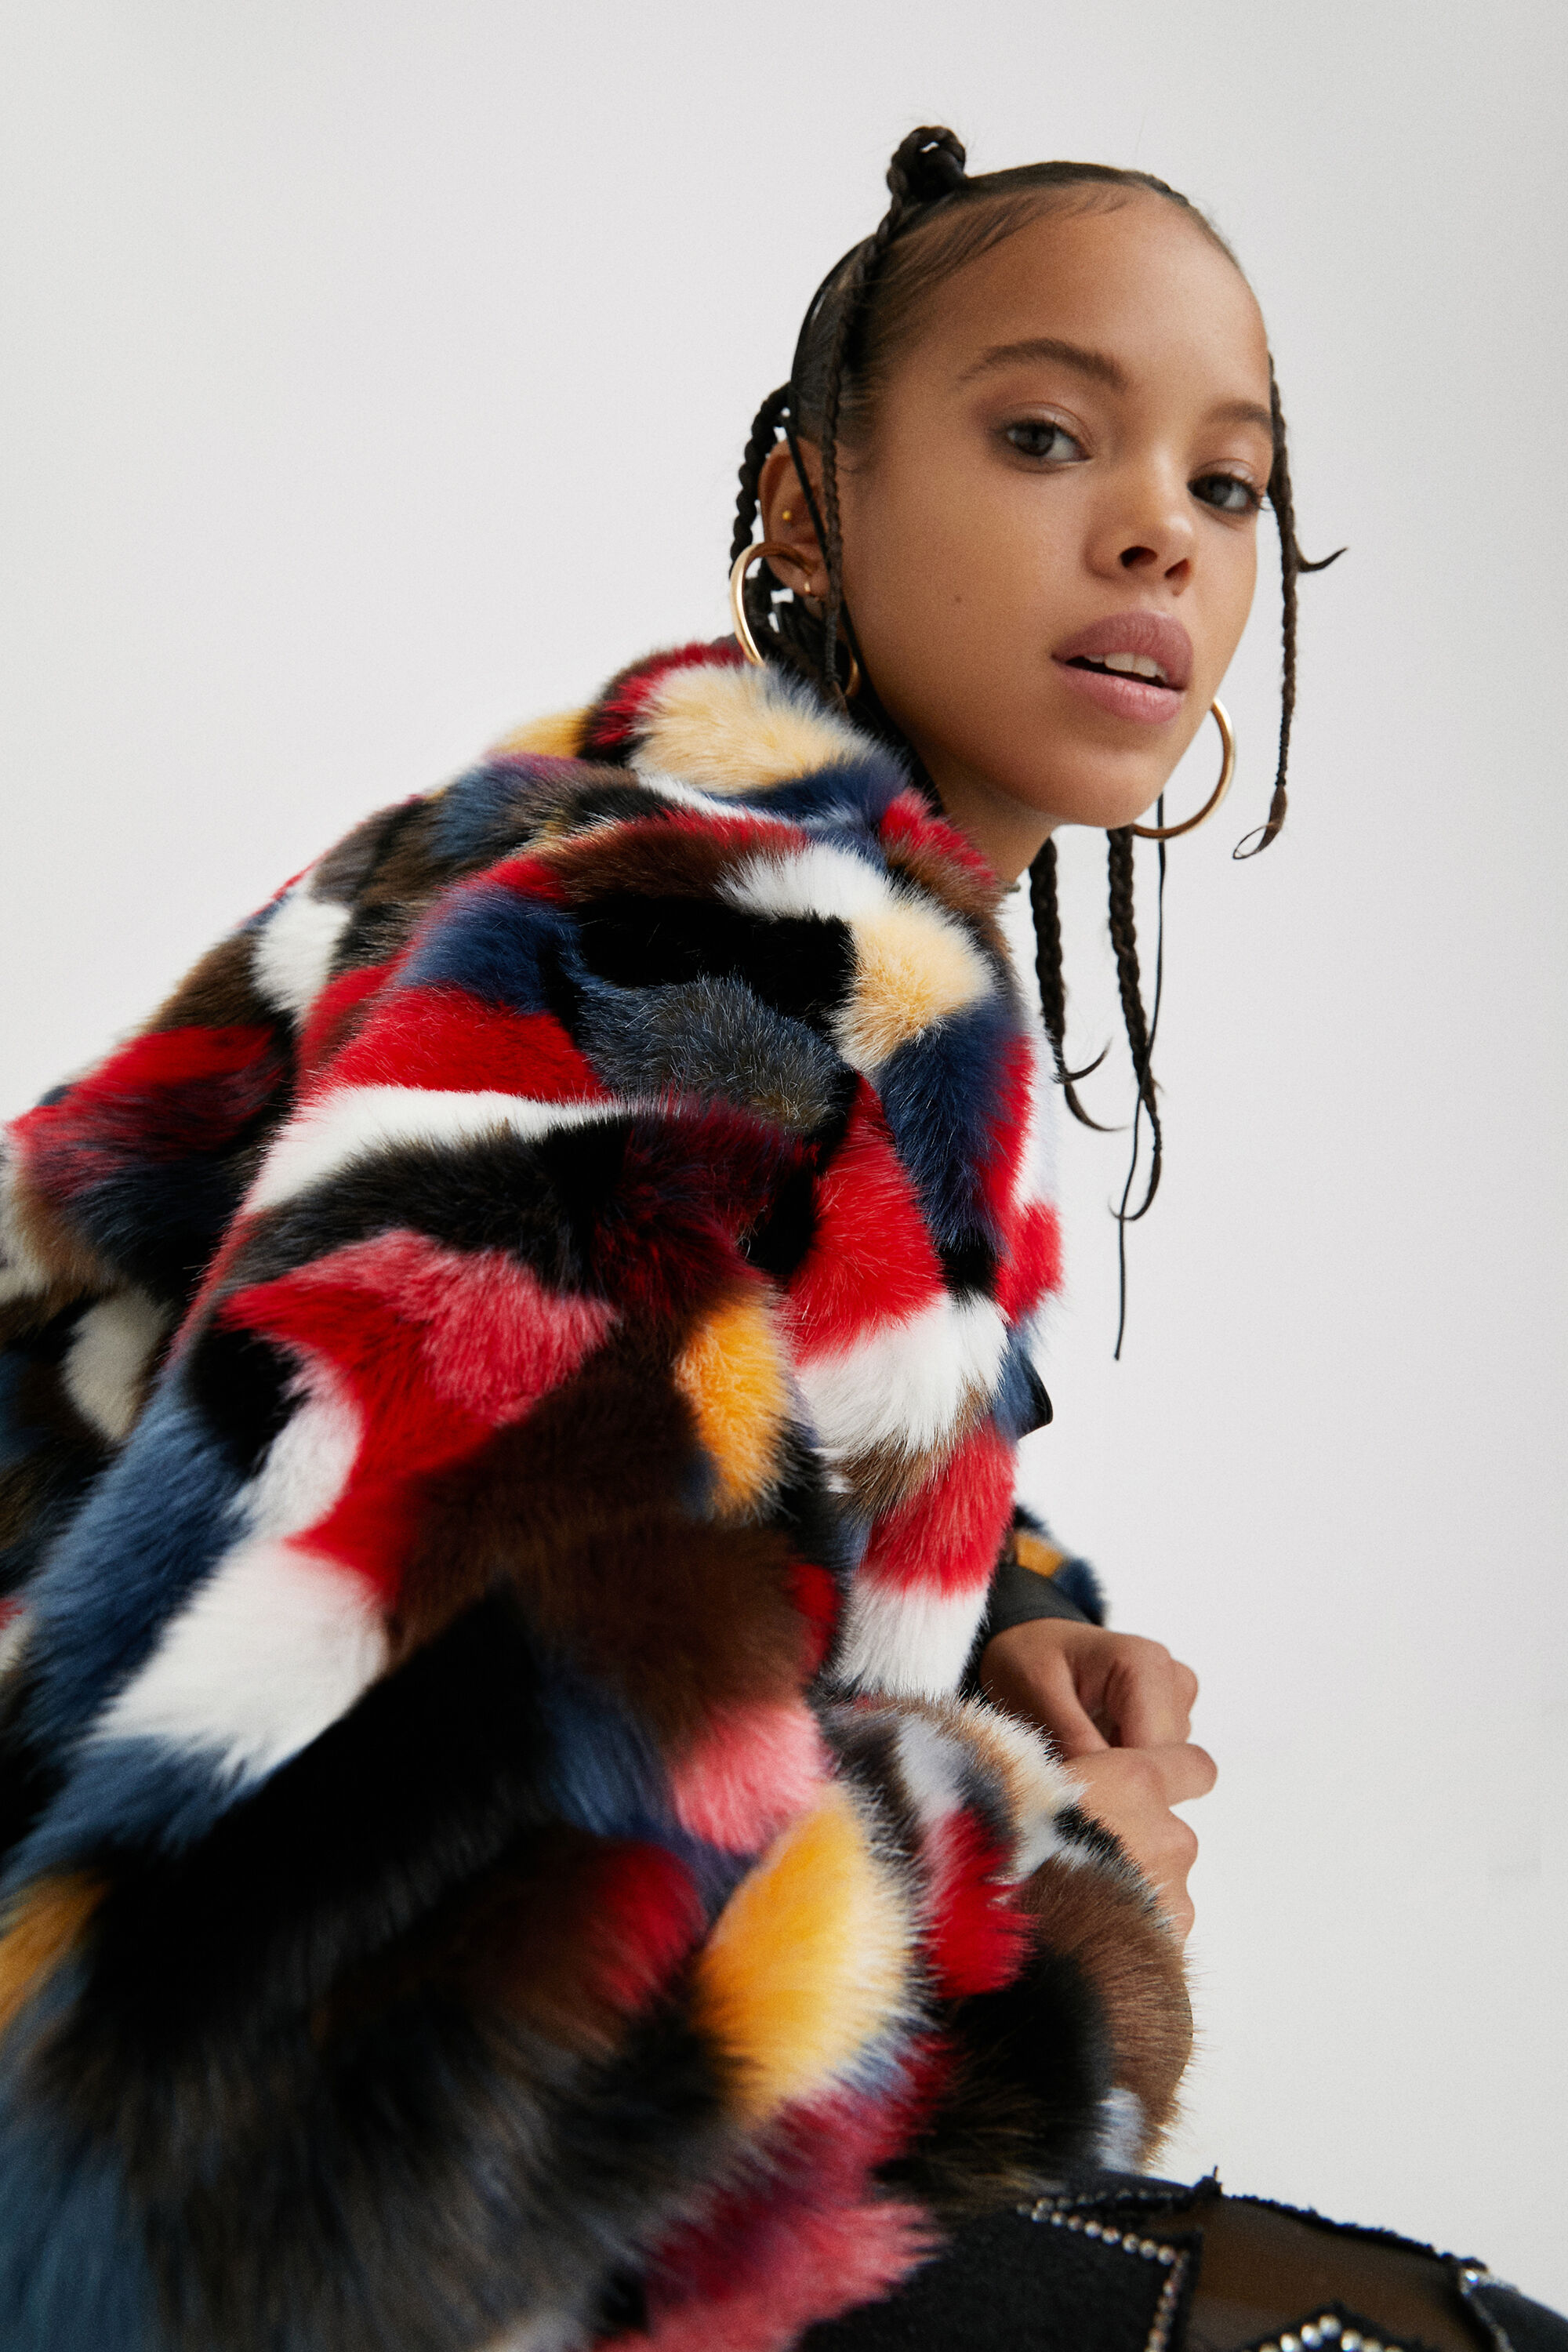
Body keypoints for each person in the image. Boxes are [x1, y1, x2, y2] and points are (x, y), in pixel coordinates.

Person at [0, 126, 1560, 2352]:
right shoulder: (703, 952)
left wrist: (995, 1619)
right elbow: (346, 2021)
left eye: (1230, 485)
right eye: (1048, 435)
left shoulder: (725, 892)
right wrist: (1049, 1878)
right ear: (806, 507)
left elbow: (636, 1478)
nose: (1160, 530)